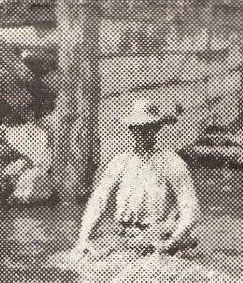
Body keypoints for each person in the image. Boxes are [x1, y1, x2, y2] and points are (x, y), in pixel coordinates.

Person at [73, 100, 201, 257]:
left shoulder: (172, 162)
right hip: (124, 237)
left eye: (147, 127)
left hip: (158, 237)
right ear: (131, 129)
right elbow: (98, 200)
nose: (141, 133)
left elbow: (190, 208)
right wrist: (83, 238)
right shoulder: (120, 162)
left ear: (157, 128)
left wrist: (173, 241)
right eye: (136, 128)